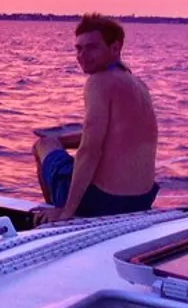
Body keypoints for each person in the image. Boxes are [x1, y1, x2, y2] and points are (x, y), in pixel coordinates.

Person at [32, 14, 159, 225]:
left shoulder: (98, 82)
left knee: (42, 145)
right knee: (53, 142)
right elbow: (113, 136)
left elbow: (90, 150)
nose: (82, 55)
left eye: (92, 48)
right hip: (141, 201)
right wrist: (62, 141)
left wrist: (66, 212)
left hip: (103, 203)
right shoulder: (137, 85)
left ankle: (57, 210)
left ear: (115, 48)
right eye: (78, 49)